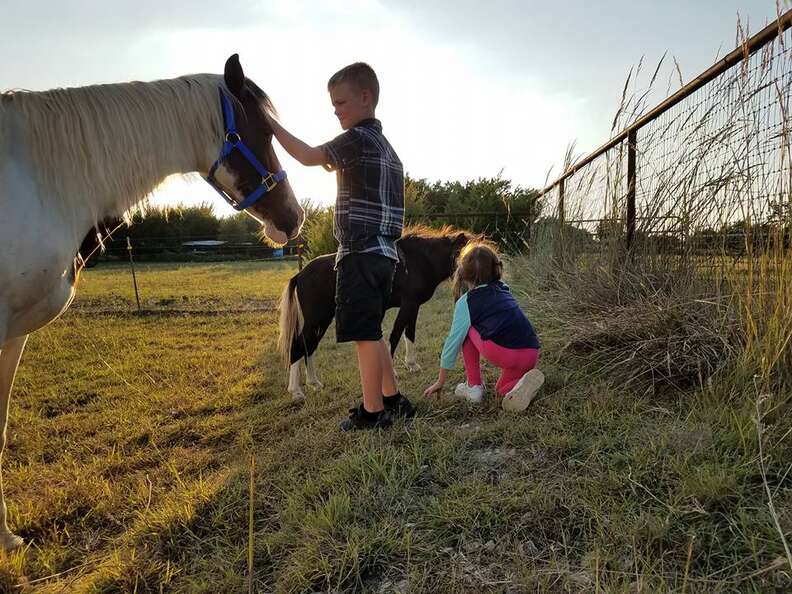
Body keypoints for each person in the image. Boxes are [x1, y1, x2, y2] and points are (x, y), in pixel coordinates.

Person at [267, 62, 414, 430]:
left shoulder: (356, 140)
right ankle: (392, 398)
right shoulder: (389, 151)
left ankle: (372, 412)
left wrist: (271, 125)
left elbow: (308, 156)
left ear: (365, 98)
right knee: (373, 329)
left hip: (359, 253)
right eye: (333, 104)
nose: (335, 110)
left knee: (363, 333)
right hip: (385, 255)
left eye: (340, 102)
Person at [423, 243, 544, 411]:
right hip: (530, 352)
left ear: (464, 274)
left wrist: (440, 381)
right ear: (495, 269)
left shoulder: (467, 302)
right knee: (501, 392)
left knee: (466, 330)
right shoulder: (503, 289)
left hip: (506, 354)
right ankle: (521, 385)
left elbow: (452, 343)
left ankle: (474, 387)